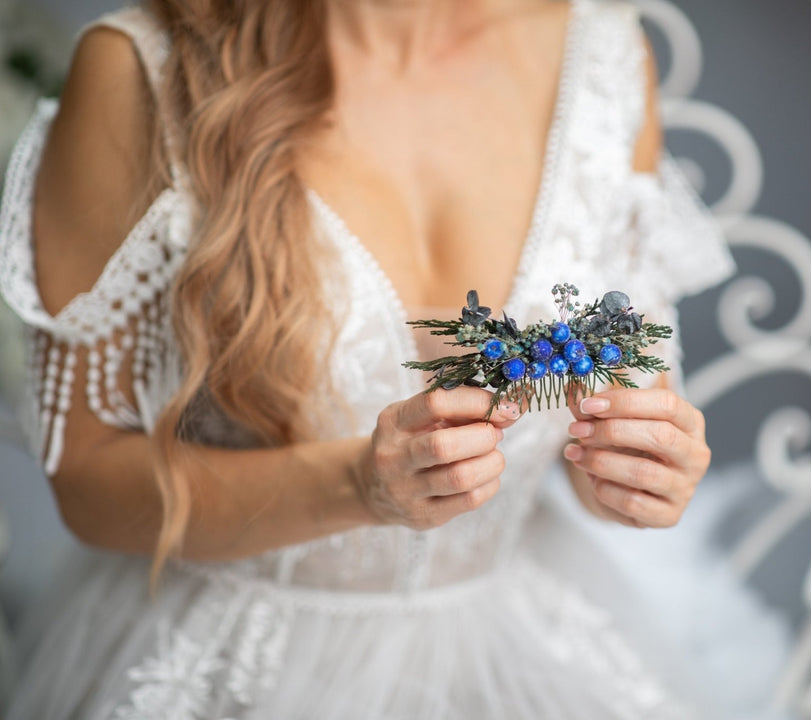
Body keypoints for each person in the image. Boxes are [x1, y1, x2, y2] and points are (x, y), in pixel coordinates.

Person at [0, 0, 736, 717]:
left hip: (516, 637)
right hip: (232, 659)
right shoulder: (140, 71)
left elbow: (619, 400)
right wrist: (357, 486)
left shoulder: (602, 57)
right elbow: (88, 483)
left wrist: (635, 469)